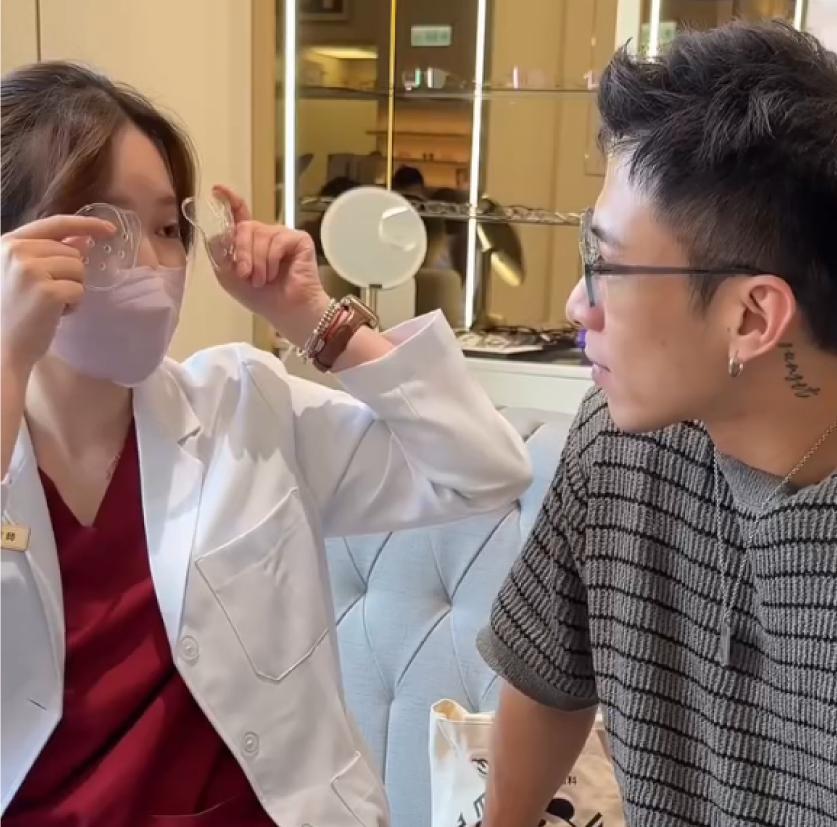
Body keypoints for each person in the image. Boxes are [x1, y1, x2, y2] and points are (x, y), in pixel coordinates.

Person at [0, 62, 532, 826]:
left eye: (167, 229)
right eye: (104, 229)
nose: (152, 264)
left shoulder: (242, 405)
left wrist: (315, 318)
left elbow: (484, 468)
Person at [477, 20, 837, 826]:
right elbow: (544, 674)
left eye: (605, 265)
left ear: (752, 317)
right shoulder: (618, 442)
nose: (577, 305)